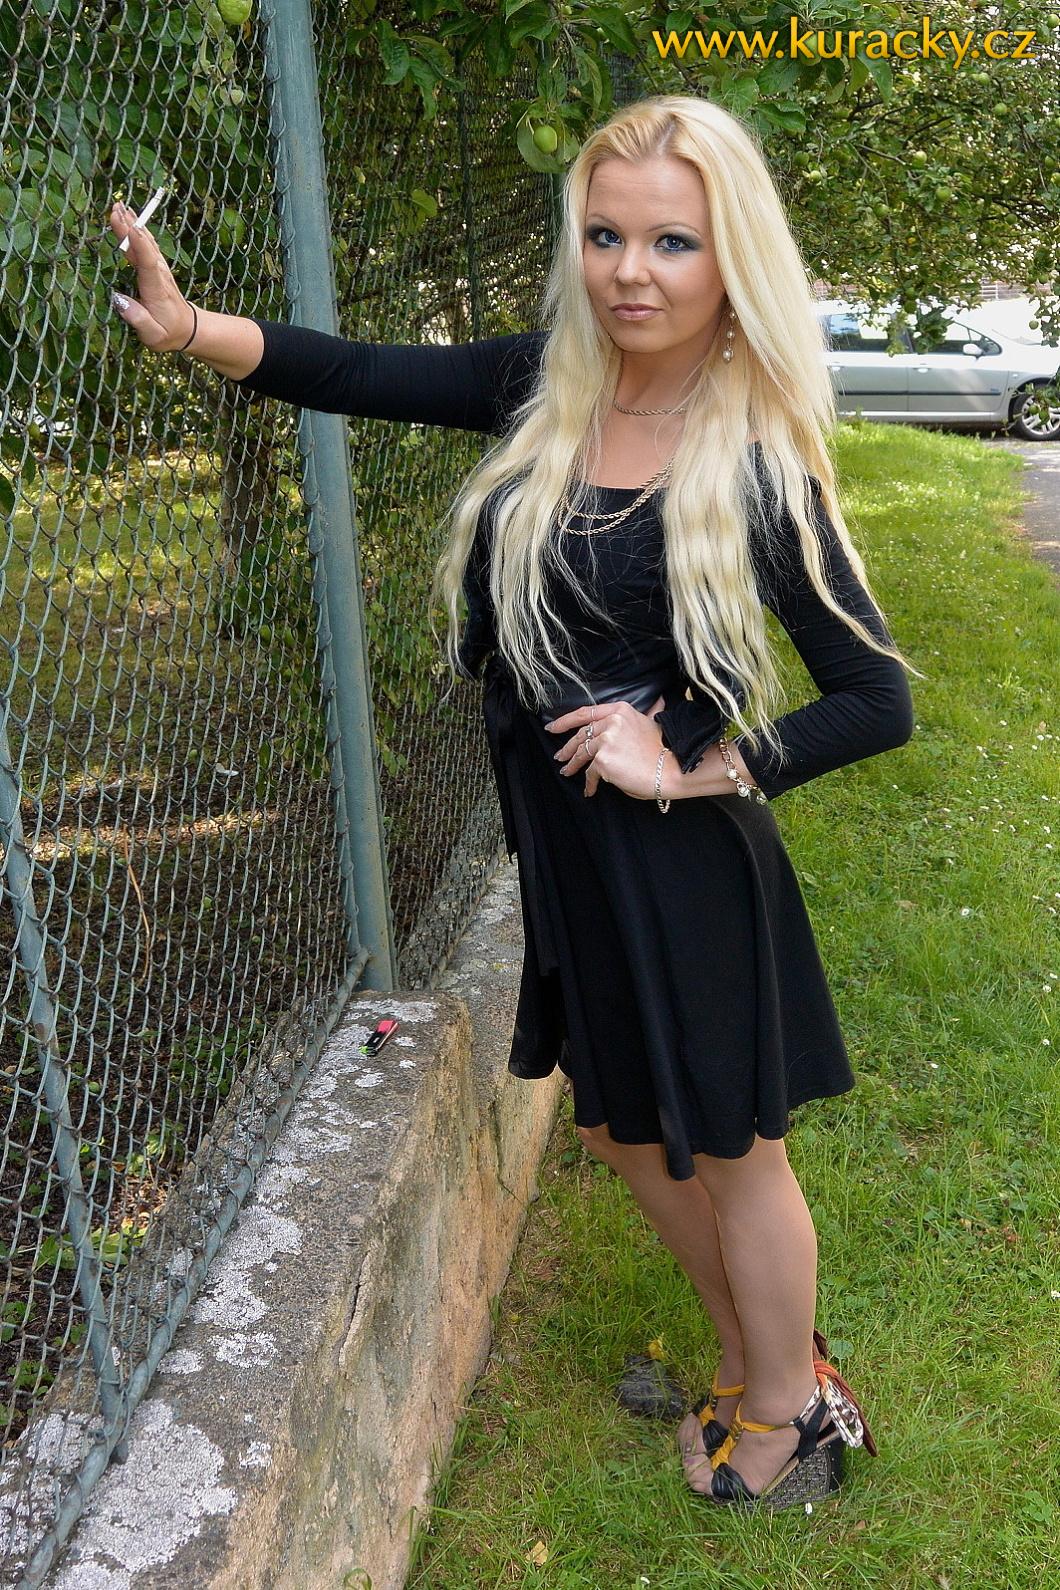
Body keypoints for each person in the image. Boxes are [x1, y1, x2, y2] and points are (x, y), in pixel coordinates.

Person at [106, 93, 916, 1510]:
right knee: (618, 1126)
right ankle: (757, 1353)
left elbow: (876, 698)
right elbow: (355, 369)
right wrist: (193, 333)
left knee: (734, 1149)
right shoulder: (550, 382)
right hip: (567, 846)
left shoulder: (756, 453)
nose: (630, 271)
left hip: (682, 862)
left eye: (673, 241)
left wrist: (691, 762)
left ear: (733, 256)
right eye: (605, 235)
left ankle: (791, 1418)